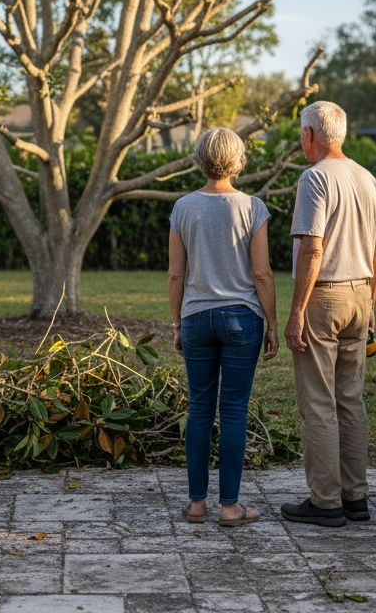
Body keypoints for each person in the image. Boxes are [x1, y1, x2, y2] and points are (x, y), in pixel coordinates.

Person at [280, 101, 376, 527]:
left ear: (310, 135)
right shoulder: (368, 178)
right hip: (361, 295)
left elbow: (312, 248)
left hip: (324, 297)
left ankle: (325, 502)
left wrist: (296, 311)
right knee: (351, 401)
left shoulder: (315, 178)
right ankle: (355, 497)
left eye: (300, 134)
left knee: (319, 404)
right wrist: (372, 301)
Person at [168, 127, 280, 527]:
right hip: (241, 319)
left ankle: (196, 504)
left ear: (200, 158)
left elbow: (176, 276)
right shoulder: (253, 207)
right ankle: (230, 506)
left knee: (199, 409)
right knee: (233, 411)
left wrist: (177, 323)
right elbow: (262, 273)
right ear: (237, 160)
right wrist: (272, 323)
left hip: (197, 318)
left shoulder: (183, 207)